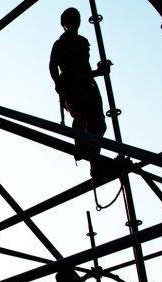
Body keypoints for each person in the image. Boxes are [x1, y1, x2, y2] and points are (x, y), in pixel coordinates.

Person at [49, 7, 110, 177]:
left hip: (87, 85)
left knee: (98, 123)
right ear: (64, 24)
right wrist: (58, 84)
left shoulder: (82, 41)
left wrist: (99, 72)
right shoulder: (60, 44)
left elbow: (85, 69)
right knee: (84, 116)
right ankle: (86, 153)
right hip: (72, 88)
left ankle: (93, 159)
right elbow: (53, 67)